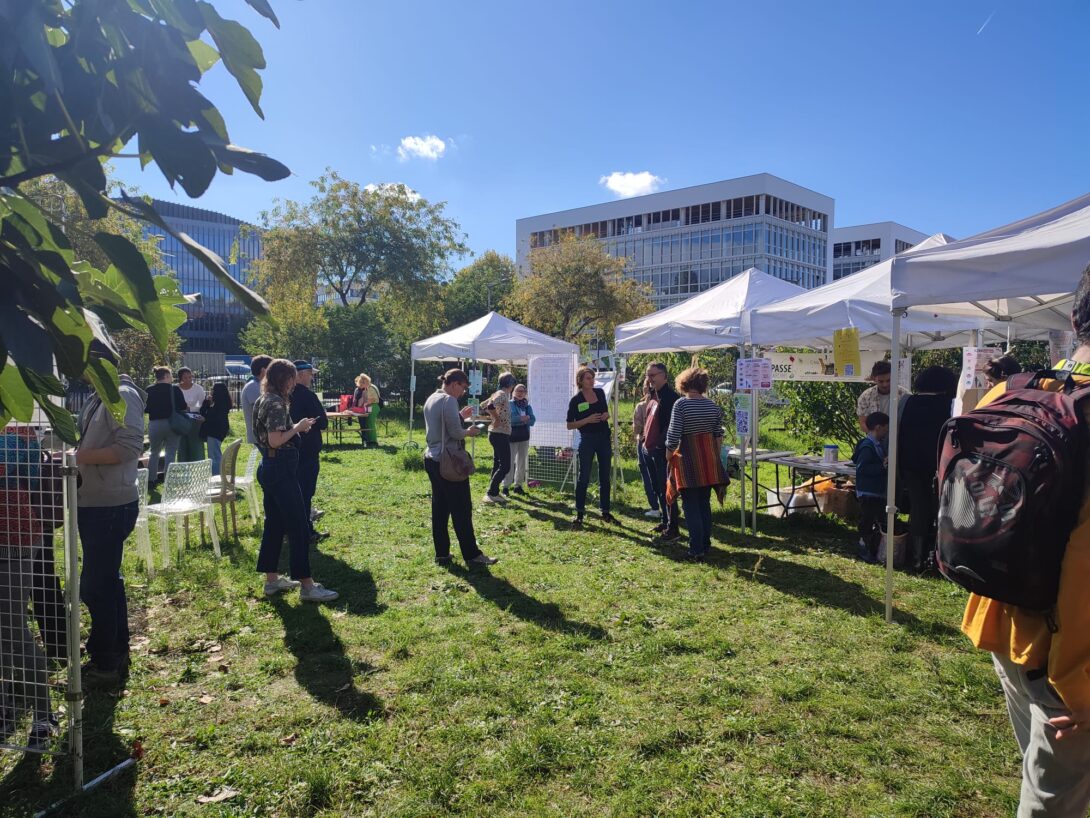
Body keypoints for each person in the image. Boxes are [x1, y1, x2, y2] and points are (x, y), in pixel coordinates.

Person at [961, 265, 1090, 816]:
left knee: (1044, 781)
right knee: (1052, 801)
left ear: (1073, 319)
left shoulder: (1012, 391)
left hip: (1001, 619)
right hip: (1075, 662)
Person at [75, 352, 145, 689]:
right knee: (107, 580)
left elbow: (129, 447)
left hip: (110, 505)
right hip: (95, 501)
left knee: (94, 584)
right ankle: (113, 654)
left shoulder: (122, 395)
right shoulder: (97, 395)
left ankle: (105, 663)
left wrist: (77, 457)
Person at [252, 359, 338, 603]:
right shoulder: (276, 402)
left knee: (274, 525)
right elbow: (276, 439)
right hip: (280, 468)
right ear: (285, 379)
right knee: (299, 525)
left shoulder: (263, 398)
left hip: (269, 467)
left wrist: (295, 428)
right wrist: (298, 428)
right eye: (291, 378)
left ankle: (272, 580)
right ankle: (307, 586)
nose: (293, 384)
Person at [422, 369, 498, 567]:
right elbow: (455, 432)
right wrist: (469, 431)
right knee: (462, 509)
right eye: (463, 387)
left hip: (432, 457)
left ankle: (442, 553)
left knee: (440, 507)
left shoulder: (432, 398)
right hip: (448, 461)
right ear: (454, 383)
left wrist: (458, 416)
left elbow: (442, 425)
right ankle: (472, 555)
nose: (463, 392)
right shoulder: (449, 400)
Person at [664, 367, 728, 560]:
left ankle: (696, 548)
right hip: (708, 460)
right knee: (703, 504)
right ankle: (706, 544)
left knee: (690, 505)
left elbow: (674, 434)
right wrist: (715, 458)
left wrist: (668, 454)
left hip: (688, 460)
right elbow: (718, 435)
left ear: (684, 383)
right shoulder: (712, 406)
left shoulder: (681, 405)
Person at [898, 365, 957, 573]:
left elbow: (900, 433)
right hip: (939, 465)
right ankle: (937, 558)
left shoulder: (907, 402)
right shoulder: (949, 405)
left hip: (911, 464)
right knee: (941, 509)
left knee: (918, 508)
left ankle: (917, 558)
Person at [566, 366, 614, 528]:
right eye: (588, 378)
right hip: (587, 440)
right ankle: (580, 512)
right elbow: (569, 425)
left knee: (605, 475)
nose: (592, 380)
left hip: (603, 438)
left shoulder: (600, 393)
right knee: (584, 476)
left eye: (593, 378)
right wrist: (587, 420)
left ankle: (605, 510)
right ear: (580, 380)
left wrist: (606, 415)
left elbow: (606, 412)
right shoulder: (576, 400)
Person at [289, 361, 329, 543]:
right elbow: (323, 423)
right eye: (310, 374)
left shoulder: (284, 394)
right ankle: (305, 530)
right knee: (305, 492)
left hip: (289, 450)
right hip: (307, 451)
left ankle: (290, 529)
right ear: (300, 375)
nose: (312, 377)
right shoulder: (307, 395)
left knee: (293, 492)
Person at [643, 361, 681, 541]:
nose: (649, 379)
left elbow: (670, 427)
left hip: (662, 451)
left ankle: (673, 527)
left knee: (668, 489)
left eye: (653, 375)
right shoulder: (653, 395)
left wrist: (660, 445)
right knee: (658, 488)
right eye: (648, 375)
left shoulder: (670, 398)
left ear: (664, 376)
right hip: (649, 449)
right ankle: (665, 521)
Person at [851, 411, 888, 564]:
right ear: (878, 427)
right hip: (868, 491)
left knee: (875, 519)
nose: (887, 431)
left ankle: (871, 546)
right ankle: (863, 547)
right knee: (867, 520)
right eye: (886, 428)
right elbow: (862, 469)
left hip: (875, 491)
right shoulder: (868, 447)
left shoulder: (876, 444)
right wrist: (882, 467)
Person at [144, 365, 186, 484]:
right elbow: (183, 406)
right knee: (171, 451)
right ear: (166, 376)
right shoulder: (175, 389)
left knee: (154, 452)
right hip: (172, 423)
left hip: (155, 424)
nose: (172, 378)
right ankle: (168, 479)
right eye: (171, 375)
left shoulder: (149, 389)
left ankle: (152, 479)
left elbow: (146, 409)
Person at [481, 372, 515, 505]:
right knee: (505, 466)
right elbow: (489, 407)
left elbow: (484, 406)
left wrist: (495, 416)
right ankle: (491, 493)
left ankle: (493, 492)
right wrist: (496, 418)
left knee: (498, 464)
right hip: (500, 433)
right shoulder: (501, 394)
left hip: (496, 433)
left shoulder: (496, 393)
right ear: (510, 384)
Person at [856, 360, 907, 435]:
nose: (885, 384)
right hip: (875, 442)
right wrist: (876, 437)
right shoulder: (865, 396)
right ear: (874, 378)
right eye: (881, 381)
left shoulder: (905, 395)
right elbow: (863, 423)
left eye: (888, 380)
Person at [633, 382, 660, 519]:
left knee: (647, 474)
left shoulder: (641, 406)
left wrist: (638, 434)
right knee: (661, 475)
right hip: (660, 444)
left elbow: (637, 427)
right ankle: (668, 506)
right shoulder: (661, 402)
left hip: (644, 441)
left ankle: (655, 507)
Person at [504, 383, 535, 496]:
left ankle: (518, 485)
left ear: (525, 393)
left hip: (524, 437)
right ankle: (506, 486)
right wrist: (523, 418)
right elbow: (509, 419)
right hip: (512, 437)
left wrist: (525, 419)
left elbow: (533, 421)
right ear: (513, 392)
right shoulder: (509, 404)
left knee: (521, 462)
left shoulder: (527, 406)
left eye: (523, 391)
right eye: (518, 390)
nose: (520, 393)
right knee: (510, 461)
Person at [199, 382, 232, 476]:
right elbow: (203, 411)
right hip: (215, 430)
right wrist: (206, 402)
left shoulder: (221, 404)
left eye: (213, 389)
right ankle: (218, 475)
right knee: (214, 453)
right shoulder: (216, 403)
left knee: (214, 455)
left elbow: (216, 418)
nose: (211, 391)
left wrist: (206, 418)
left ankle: (217, 476)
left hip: (215, 431)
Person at [176, 367, 206, 462]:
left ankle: (198, 463)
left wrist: (191, 409)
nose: (188, 379)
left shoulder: (198, 388)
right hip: (180, 418)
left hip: (194, 419)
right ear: (180, 378)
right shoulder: (176, 388)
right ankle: (183, 463)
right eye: (185, 377)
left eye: (190, 377)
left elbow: (202, 404)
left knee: (195, 443)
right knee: (182, 443)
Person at [242, 355, 272, 446]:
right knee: (270, 459)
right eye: (271, 369)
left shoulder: (258, 385)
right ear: (263, 370)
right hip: (260, 436)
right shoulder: (253, 386)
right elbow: (265, 410)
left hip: (264, 435)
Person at [352, 373, 381, 447]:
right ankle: (369, 440)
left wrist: (366, 403)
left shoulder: (371, 388)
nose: (361, 386)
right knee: (368, 423)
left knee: (370, 423)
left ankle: (373, 441)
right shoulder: (369, 387)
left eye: (362, 384)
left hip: (373, 406)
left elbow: (373, 399)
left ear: (365, 382)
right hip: (371, 406)